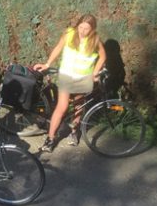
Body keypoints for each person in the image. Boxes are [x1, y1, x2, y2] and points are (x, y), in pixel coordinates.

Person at [34, 14, 106, 152]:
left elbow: (103, 56)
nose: (83, 31)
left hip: (83, 78)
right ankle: (50, 139)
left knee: (79, 106)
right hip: (66, 76)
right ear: (77, 25)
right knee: (62, 107)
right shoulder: (69, 34)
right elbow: (58, 48)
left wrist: (95, 72)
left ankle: (74, 132)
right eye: (81, 27)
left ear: (93, 29)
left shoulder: (95, 40)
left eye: (86, 29)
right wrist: (47, 63)